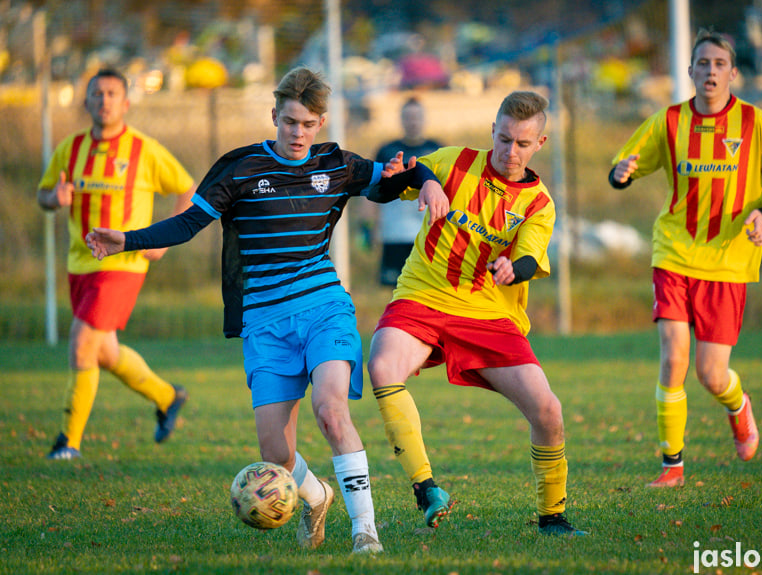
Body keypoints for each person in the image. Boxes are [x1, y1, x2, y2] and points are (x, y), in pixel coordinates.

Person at [86, 67, 449, 553]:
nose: (298, 133)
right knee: (276, 453)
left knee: (331, 409)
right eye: (291, 122)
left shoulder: (336, 164)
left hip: (325, 308)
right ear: (275, 115)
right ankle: (316, 496)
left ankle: (366, 530)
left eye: (308, 124)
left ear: (320, 123)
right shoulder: (238, 169)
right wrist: (125, 240)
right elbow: (189, 223)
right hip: (265, 321)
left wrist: (422, 180)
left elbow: (387, 183)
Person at [367, 90, 585, 536]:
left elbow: (529, 259)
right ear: (493, 130)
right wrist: (415, 180)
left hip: (488, 313)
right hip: (423, 296)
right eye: (504, 139)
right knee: (382, 365)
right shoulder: (456, 161)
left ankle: (553, 517)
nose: (510, 151)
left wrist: (512, 268)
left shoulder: (538, 203)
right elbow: (392, 185)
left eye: (522, 144)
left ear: (539, 144)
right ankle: (426, 488)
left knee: (548, 411)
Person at [608, 29, 762, 487]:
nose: (711, 71)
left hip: (728, 261)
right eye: (703, 63)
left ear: (733, 73)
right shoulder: (669, 121)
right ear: (690, 71)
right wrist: (621, 175)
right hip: (674, 252)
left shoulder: (756, 124)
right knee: (673, 357)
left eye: (720, 63)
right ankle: (672, 467)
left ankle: (738, 407)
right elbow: (625, 168)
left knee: (711, 374)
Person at [37, 68, 195, 461]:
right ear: (87, 101)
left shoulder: (144, 149)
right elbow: (43, 195)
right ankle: (167, 396)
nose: (104, 100)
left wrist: (165, 240)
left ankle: (67, 443)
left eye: (112, 94)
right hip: (80, 264)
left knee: (82, 343)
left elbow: (187, 188)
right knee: (103, 352)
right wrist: (53, 199)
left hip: (122, 263)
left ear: (125, 103)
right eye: (97, 93)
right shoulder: (69, 149)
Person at [374, 96, 442, 286]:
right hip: (394, 234)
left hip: (427, 234)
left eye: (417, 117)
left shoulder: (438, 150)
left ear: (424, 119)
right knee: (395, 289)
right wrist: (368, 227)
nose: (413, 122)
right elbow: (372, 192)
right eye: (408, 117)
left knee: (427, 288)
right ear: (401, 119)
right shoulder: (387, 151)